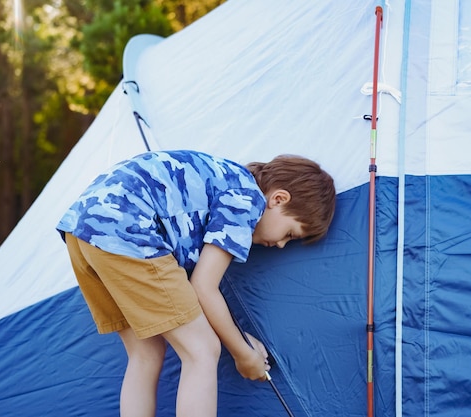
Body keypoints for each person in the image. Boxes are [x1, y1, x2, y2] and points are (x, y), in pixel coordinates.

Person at [57, 149, 336, 417]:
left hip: (82, 231)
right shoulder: (247, 198)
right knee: (202, 351)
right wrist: (243, 354)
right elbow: (203, 287)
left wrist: (242, 340)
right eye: (290, 233)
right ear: (278, 199)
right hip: (128, 230)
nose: (281, 245)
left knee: (146, 353)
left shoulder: (224, 179)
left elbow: (190, 292)